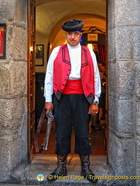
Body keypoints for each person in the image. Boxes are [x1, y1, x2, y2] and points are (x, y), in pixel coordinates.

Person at [44, 19, 101, 184]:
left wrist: (95, 100)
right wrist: (48, 100)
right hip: (61, 97)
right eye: (70, 33)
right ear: (66, 35)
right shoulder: (56, 51)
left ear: (80, 35)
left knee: (83, 132)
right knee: (61, 132)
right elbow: (49, 76)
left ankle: (85, 168)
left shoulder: (89, 52)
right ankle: (61, 168)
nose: (73, 37)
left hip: (83, 97)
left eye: (76, 33)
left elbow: (95, 76)